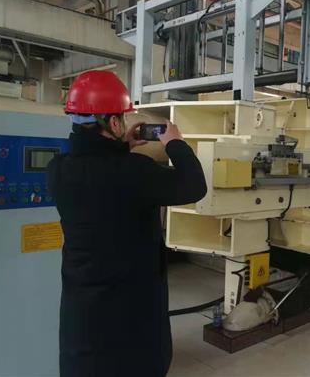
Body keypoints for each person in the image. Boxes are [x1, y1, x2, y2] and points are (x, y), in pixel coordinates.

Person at [47, 70, 207, 377]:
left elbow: (102, 173)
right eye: (121, 117)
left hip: (82, 326)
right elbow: (194, 185)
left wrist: (123, 147)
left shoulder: (57, 171)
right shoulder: (137, 172)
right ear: (113, 123)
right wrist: (175, 143)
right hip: (131, 326)